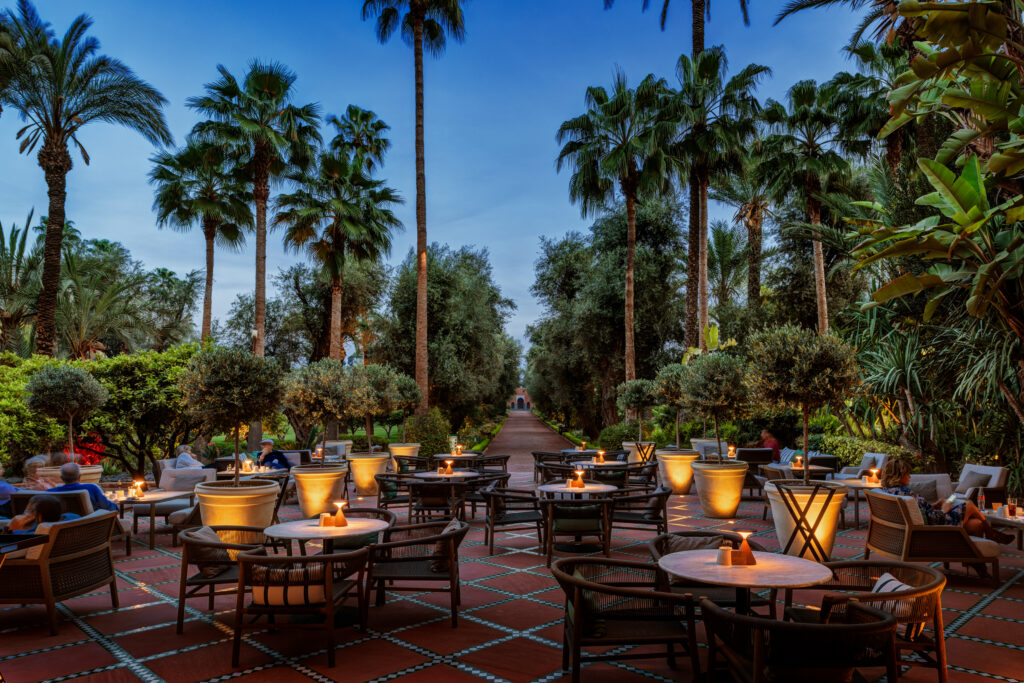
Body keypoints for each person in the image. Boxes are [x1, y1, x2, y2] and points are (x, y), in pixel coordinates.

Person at [880, 459, 1013, 544]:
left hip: (929, 522)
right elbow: (928, 517)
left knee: (976, 524)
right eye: (907, 474)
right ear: (898, 476)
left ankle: (975, 562)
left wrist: (934, 506)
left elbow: (918, 513)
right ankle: (991, 534)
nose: (909, 477)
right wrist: (944, 510)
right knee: (969, 504)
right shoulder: (905, 494)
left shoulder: (891, 492)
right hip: (936, 526)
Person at [47, 463, 117, 512]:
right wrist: (116, 507)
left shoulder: (50, 493)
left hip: (63, 525)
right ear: (79, 477)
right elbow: (107, 507)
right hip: (91, 525)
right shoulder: (91, 488)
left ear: (61, 478)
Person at [6, 494, 79, 533]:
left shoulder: (24, 534)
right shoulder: (74, 517)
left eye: (27, 511)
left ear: (39, 517)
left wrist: (9, 529)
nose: (24, 514)